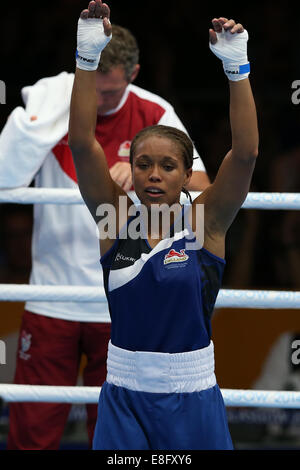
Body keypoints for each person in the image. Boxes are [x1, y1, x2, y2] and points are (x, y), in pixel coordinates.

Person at [0, 18, 209, 452]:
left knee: (117, 438)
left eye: (110, 91)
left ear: (132, 75)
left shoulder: (155, 113)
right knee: (31, 430)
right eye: (92, 85)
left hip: (121, 299)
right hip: (52, 294)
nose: (98, 97)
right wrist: (43, 117)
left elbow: (205, 189)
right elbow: (5, 176)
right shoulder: (56, 99)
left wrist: (141, 173)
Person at [69, 1, 258, 450]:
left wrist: (237, 68)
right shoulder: (113, 218)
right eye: (144, 164)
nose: (154, 174)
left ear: (186, 171)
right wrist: (85, 58)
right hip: (123, 397)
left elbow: (246, 154)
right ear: (130, 169)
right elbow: (81, 142)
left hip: (191, 396)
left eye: (168, 166)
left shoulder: (206, 220)